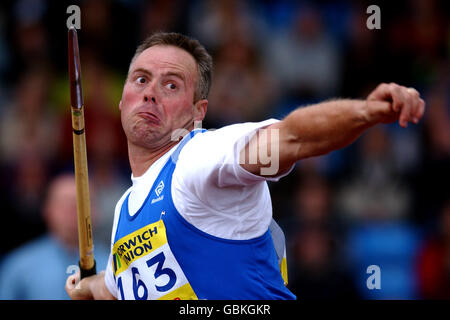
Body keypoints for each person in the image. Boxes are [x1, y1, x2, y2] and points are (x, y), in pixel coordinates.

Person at [65, 32, 425, 300]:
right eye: (141, 79)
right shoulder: (124, 211)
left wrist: (363, 112)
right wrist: (86, 288)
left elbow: (292, 138)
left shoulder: (198, 159)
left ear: (197, 114)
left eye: (171, 85)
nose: (151, 92)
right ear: (122, 99)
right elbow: (114, 284)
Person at [0, 174, 109, 299]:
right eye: (65, 203)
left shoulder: (115, 265)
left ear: (98, 211)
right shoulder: (18, 266)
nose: (75, 210)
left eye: (83, 203)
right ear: (46, 210)